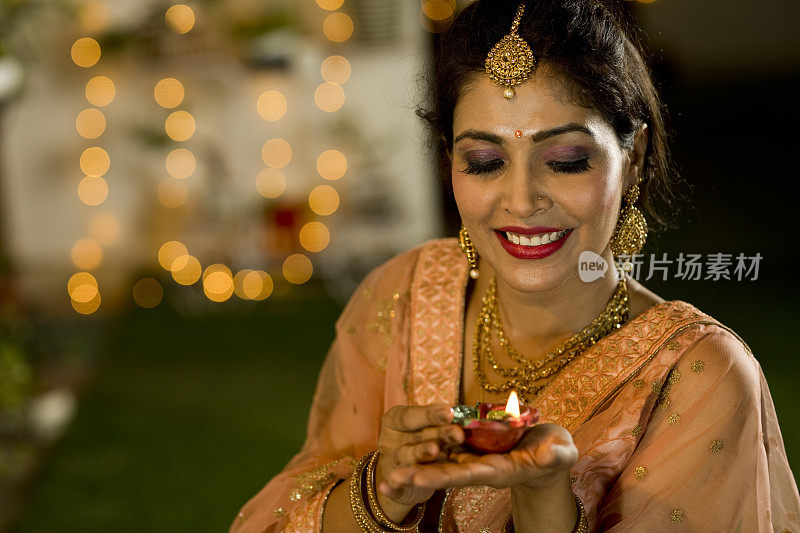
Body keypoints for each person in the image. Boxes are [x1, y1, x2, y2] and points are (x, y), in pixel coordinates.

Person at [230, 1, 800, 531]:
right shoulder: (400, 294)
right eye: (483, 162)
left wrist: (545, 500)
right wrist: (381, 493)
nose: (522, 201)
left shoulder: (697, 377)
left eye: (567, 160)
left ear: (635, 160)